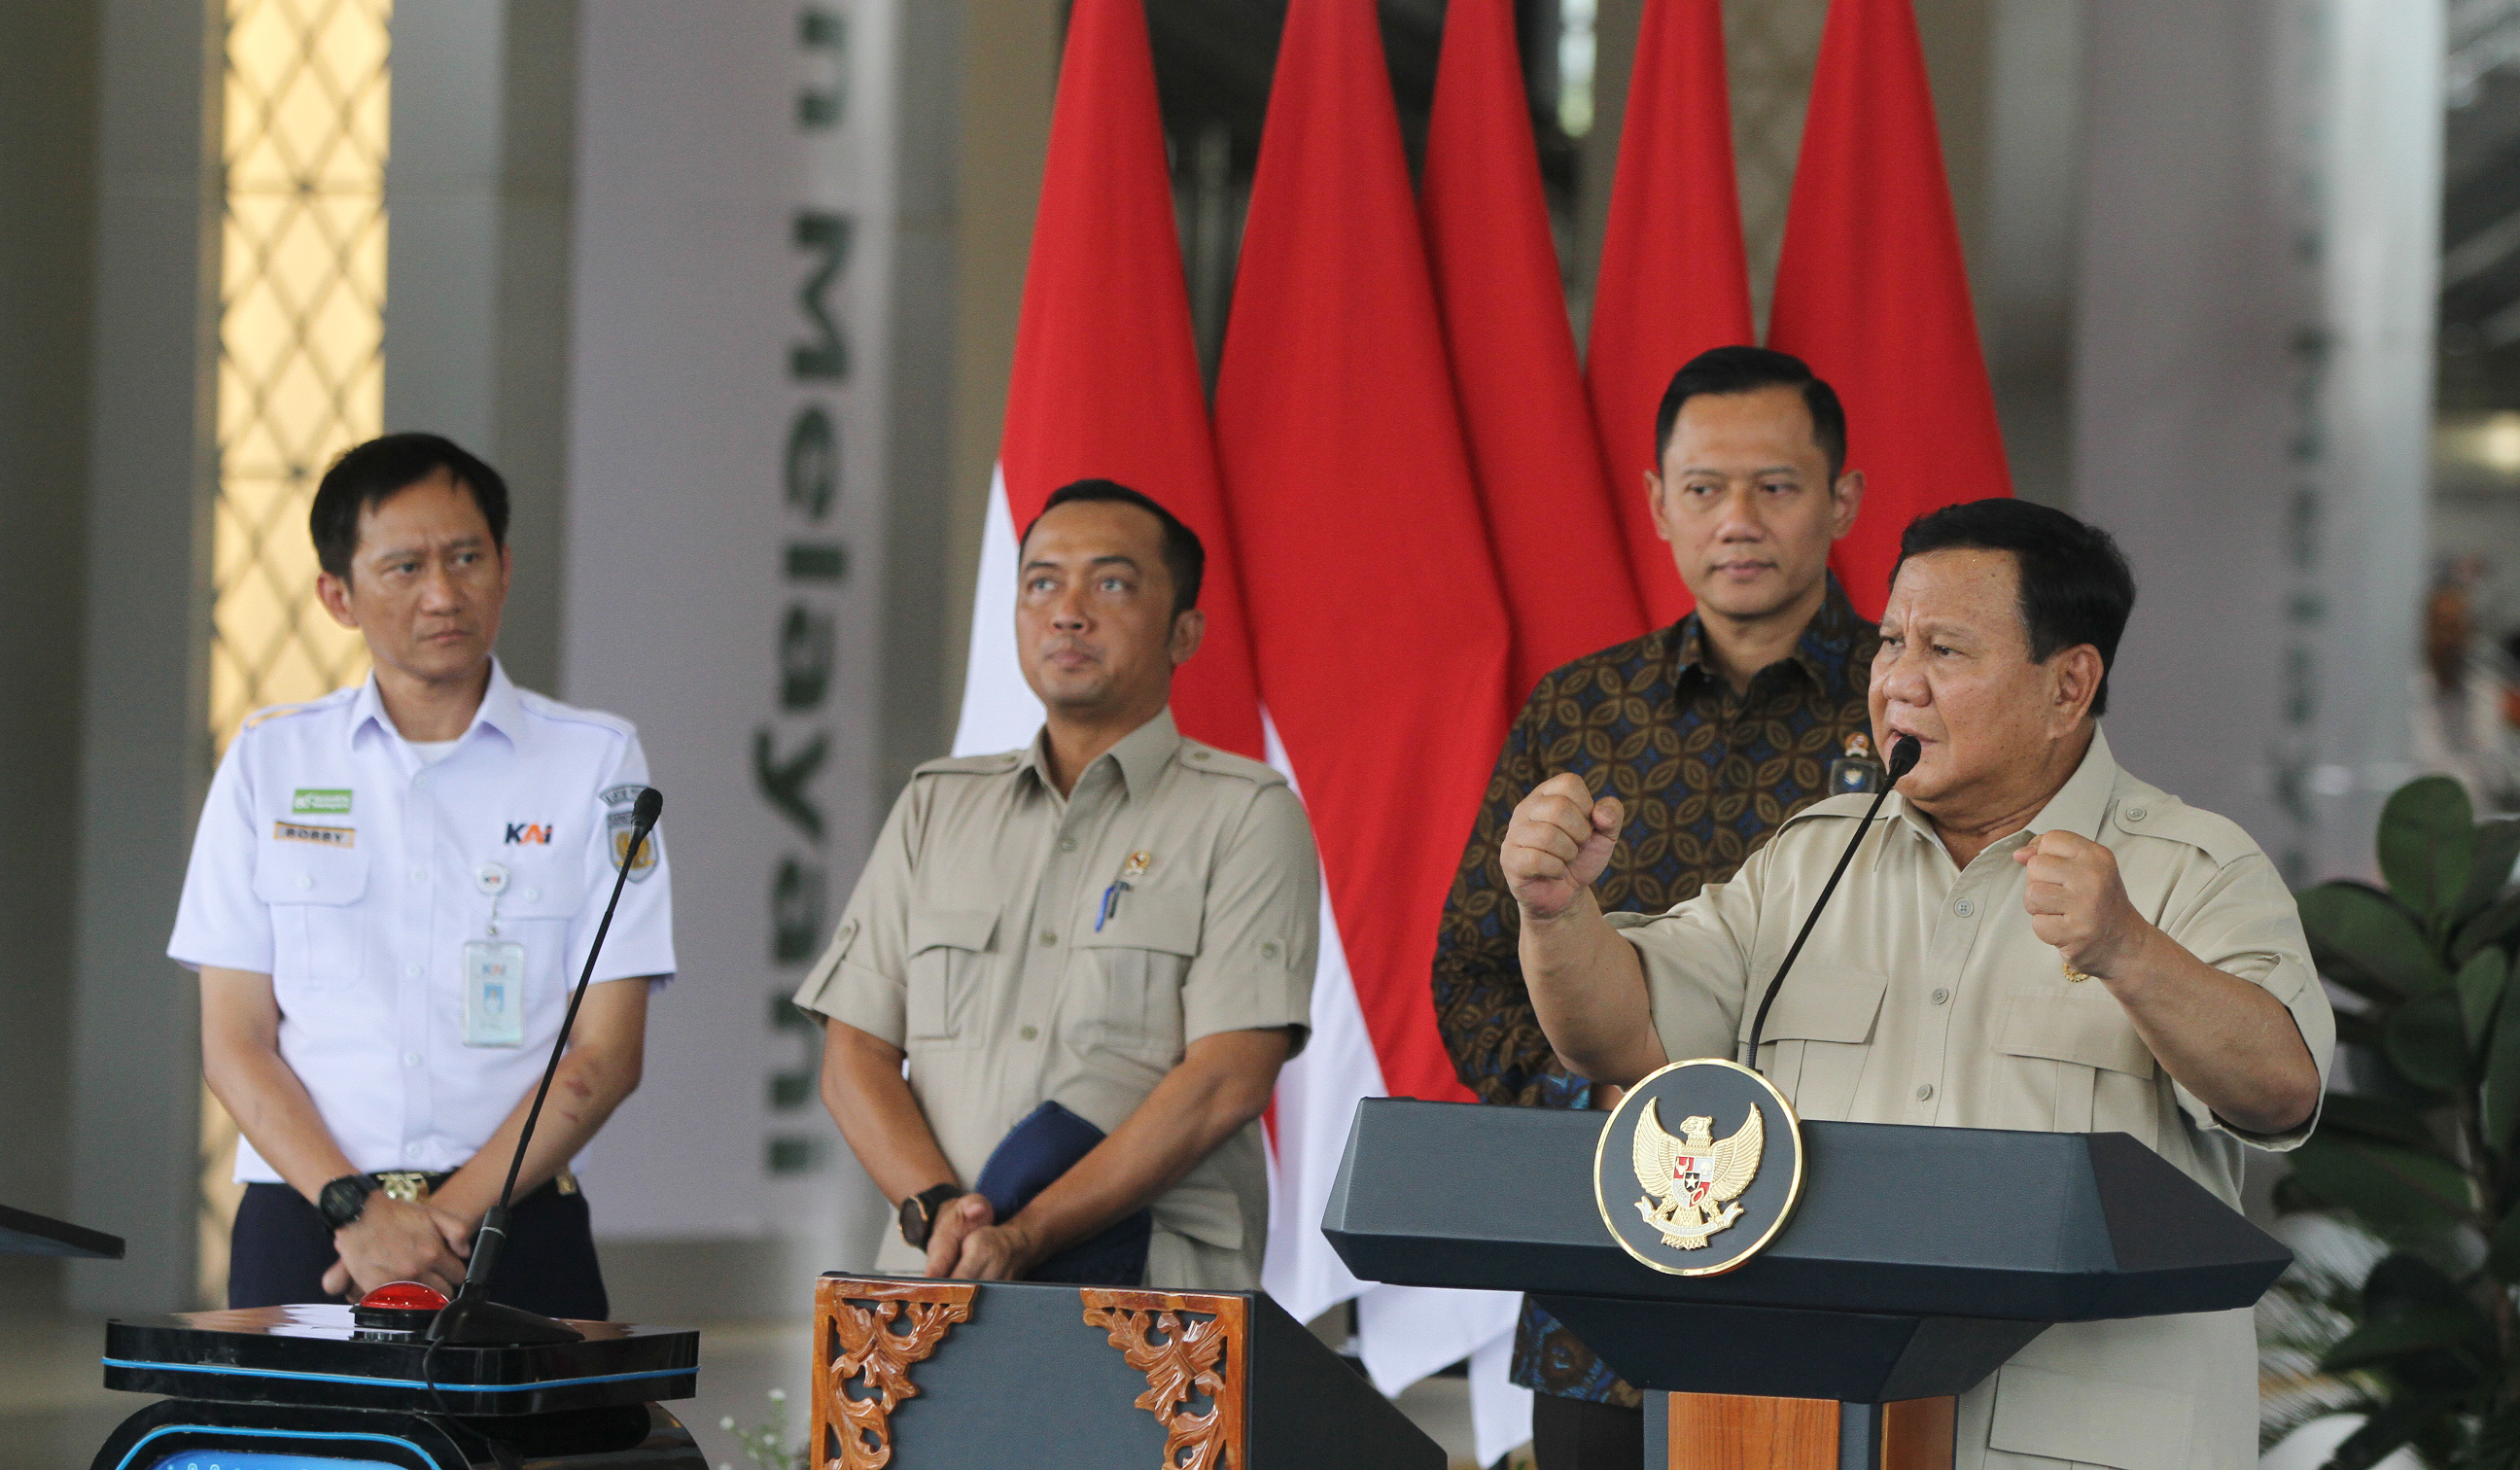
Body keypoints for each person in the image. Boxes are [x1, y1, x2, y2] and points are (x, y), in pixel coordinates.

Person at [1502, 500, 2331, 1468]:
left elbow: (2282, 1089)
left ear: (2070, 686)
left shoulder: (2192, 869)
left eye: (1945, 650)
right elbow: (1617, 1033)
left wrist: (2126, 949)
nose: (1898, 682)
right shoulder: (1810, 866)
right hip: (1819, 1432)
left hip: (2084, 1443)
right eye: (1892, 641)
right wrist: (1558, 914)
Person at [1433, 345, 1872, 1468]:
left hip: (1846, 1258)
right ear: (1656, 507)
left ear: (1841, 500)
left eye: (1775, 487)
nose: (1738, 520)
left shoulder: (1913, 711)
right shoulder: (1581, 709)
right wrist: (1602, 1099)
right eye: (1703, 490)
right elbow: (1472, 969)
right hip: (1604, 1274)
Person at [171, 434, 674, 1315]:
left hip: (519, 1230)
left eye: (466, 557)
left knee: (544, 1457)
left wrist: (437, 1224)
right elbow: (235, 1041)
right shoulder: (268, 760)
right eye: (403, 567)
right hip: (310, 1228)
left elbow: (605, 1051)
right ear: (338, 596)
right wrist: (358, 1212)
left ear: (506, 567)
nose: (443, 593)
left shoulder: (598, 764)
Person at [799, 478, 1316, 1287]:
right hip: (938, 1277)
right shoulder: (938, 805)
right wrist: (942, 1210)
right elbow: (853, 1053)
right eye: (1042, 583)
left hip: (1149, 1294)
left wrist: (1030, 1233)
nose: (1067, 611)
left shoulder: (1245, 815)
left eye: (1110, 583)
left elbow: (1226, 1080)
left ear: (1185, 632)